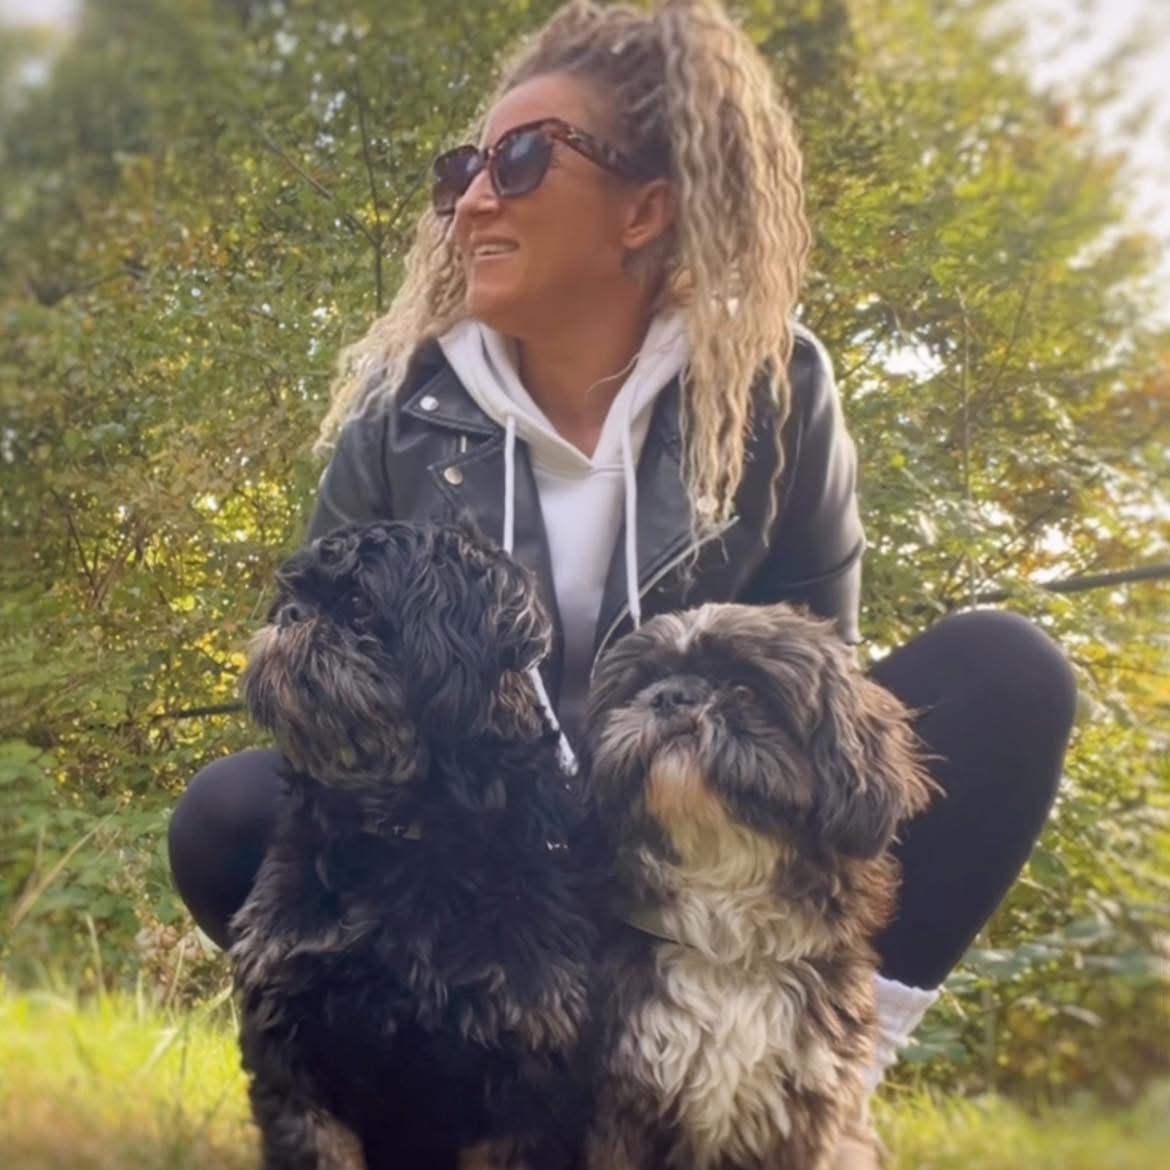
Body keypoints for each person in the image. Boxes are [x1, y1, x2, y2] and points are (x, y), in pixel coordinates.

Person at [167, 1, 1078, 1164]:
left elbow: (821, 685)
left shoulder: (774, 386)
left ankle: (815, 1079)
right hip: (489, 843)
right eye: (462, 170)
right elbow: (313, 658)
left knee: (1008, 673)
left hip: (671, 822)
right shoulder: (402, 411)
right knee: (236, 813)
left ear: (647, 209)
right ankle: (417, 1097)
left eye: (520, 160)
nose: (473, 200)